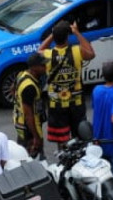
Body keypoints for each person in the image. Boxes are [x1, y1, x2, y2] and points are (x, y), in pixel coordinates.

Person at [40, 21, 96, 149]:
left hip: (56, 104)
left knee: (62, 139)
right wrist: (77, 33)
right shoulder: (77, 51)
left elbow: (40, 50)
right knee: (80, 135)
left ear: (55, 38)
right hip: (76, 103)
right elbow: (91, 53)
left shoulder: (48, 55)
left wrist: (52, 34)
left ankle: (64, 159)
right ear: (67, 37)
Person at [13, 53, 47, 158]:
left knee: (21, 154)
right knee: (33, 159)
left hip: (20, 124)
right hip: (29, 129)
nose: (45, 67)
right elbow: (28, 115)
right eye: (42, 65)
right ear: (34, 68)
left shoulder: (22, 74)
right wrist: (36, 137)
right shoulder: (29, 87)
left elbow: (12, 89)